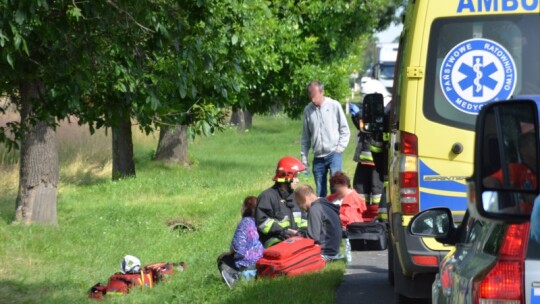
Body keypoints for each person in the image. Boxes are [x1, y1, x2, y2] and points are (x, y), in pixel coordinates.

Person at [301, 80, 350, 197]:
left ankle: (337, 212)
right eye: (310, 96)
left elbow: (345, 130)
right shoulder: (308, 110)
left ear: (322, 92)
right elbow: (305, 137)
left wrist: (340, 148)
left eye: (315, 96)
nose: (312, 99)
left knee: (336, 187)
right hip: (318, 157)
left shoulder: (334, 105)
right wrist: (304, 157)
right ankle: (323, 212)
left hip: (334, 153)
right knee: (320, 191)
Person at [255, 156, 309, 248]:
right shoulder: (267, 197)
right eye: (295, 176)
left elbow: (304, 219)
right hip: (275, 240)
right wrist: (283, 232)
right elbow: (262, 222)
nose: (297, 180)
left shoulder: (296, 197)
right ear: (286, 177)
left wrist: (302, 232)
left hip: (296, 239)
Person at [218, 196, 265, 289]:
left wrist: (229, 253)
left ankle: (236, 277)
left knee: (222, 259)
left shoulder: (245, 222)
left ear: (245, 208)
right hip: (263, 260)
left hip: (249, 262)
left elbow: (238, 246)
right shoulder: (262, 221)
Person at [294, 184, 344, 262]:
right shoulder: (325, 205)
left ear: (304, 198)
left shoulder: (314, 209)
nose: (300, 207)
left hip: (324, 253)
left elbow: (312, 238)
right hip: (334, 251)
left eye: (299, 203)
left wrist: (296, 234)